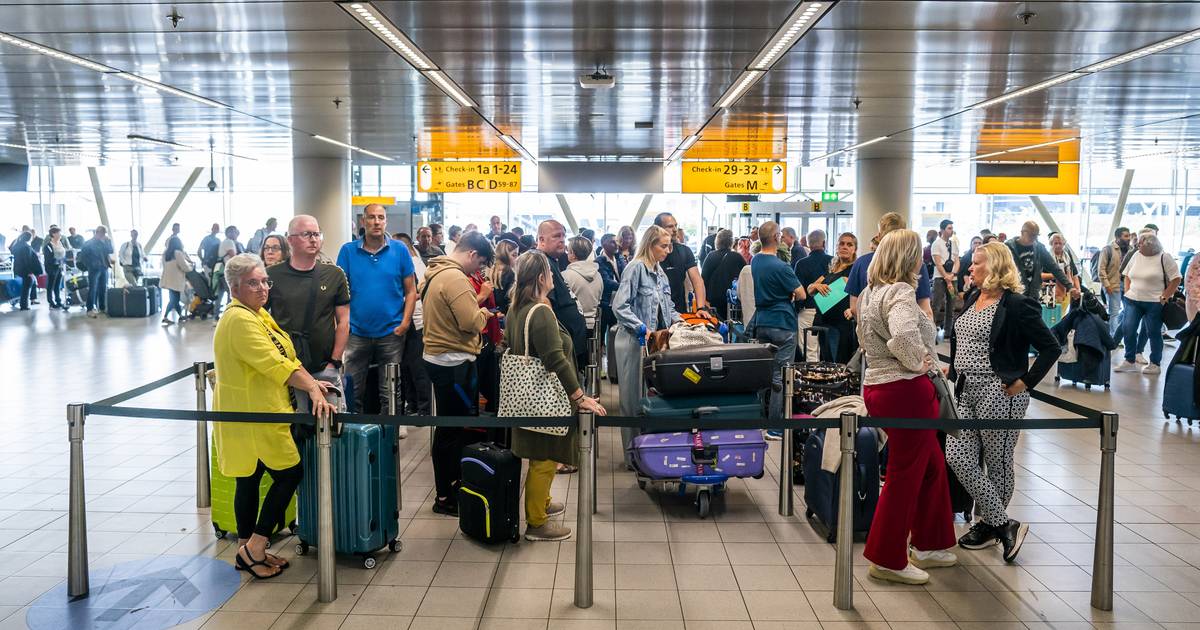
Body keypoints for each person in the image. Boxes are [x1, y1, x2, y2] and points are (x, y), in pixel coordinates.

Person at [212, 253, 335, 580]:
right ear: (235, 287)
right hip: (255, 415)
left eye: (265, 281)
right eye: (253, 282)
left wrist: (310, 380)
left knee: (249, 479)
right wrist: (311, 388)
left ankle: (248, 551)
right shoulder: (239, 319)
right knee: (289, 473)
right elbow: (272, 363)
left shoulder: (256, 314)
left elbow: (286, 355)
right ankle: (255, 547)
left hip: (257, 411)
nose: (263, 287)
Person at [946, 241, 1059, 563]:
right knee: (958, 456)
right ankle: (1003, 523)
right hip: (964, 389)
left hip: (1000, 392)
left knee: (998, 461)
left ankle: (986, 524)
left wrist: (1024, 382)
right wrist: (952, 369)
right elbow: (963, 343)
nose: (970, 267)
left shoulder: (1018, 304)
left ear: (995, 267)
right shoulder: (972, 297)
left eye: (977, 263)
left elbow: (1051, 347)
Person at [856, 229, 957, 585]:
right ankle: (887, 558)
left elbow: (867, 337)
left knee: (929, 465)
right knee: (904, 474)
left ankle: (931, 543)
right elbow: (903, 336)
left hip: (879, 387)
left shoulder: (871, 291)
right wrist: (922, 362)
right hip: (905, 390)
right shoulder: (900, 291)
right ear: (909, 258)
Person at [505, 251, 607, 541]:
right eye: (551, 273)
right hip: (544, 398)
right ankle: (536, 522)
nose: (555, 278)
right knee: (544, 458)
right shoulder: (540, 312)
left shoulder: (517, 308)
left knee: (542, 454)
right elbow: (556, 360)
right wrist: (579, 397)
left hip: (527, 396)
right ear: (541, 278)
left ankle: (543, 504)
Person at [423, 233, 496, 516]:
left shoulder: (436, 271)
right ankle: (446, 495)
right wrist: (485, 314)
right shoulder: (455, 278)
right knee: (451, 431)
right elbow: (470, 322)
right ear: (472, 254)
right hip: (453, 361)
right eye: (478, 263)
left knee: (448, 429)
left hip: (440, 358)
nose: (476, 271)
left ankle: (449, 488)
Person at [336, 205, 417, 429]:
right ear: (363, 221)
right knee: (352, 388)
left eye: (381, 217)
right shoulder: (348, 251)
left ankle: (390, 430)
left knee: (390, 388)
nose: (376, 222)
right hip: (356, 332)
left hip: (391, 331)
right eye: (371, 217)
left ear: (386, 222)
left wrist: (405, 323)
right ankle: (353, 430)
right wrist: (344, 325)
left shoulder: (399, 250)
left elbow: (411, 291)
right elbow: (339, 293)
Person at [612, 225, 682, 464]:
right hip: (633, 342)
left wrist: (685, 323)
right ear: (650, 244)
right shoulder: (635, 268)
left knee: (652, 398)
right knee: (632, 400)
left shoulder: (660, 273)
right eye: (663, 246)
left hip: (655, 345)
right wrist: (642, 328)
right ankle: (633, 457)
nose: (667, 250)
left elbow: (668, 306)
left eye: (669, 245)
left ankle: (650, 451)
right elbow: (620, 306)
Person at [749, 222, 806, 420]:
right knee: (779, 377)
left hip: (762, 323)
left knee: (763, 374)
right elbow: (801, 294)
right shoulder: (782, 267)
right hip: (783, 323)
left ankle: (759, 417)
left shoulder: (755, 261)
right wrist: (789, 294)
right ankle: (775, 425)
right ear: (776, 238)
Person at [848, 212, 935, 321]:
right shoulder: (916, 264)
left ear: (879, 236)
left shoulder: (861, 263)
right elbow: (925, 310)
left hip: (869, 333)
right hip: (908, 332)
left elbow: (855, 307)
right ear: (904, 234)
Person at [1115, 232, 1181, 374]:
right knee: (1128, 328)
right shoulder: (1136, 255)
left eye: (1140, 244)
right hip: (1132, 300)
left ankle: (1155, 364)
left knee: (1153, 332)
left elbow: (1176, 279)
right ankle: (1129, 360)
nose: (1137, 246)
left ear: (1150, 246)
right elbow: (1127, 275)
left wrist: (1165, 296)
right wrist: (1127, 292)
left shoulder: (1164, 257)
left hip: (1154, 302)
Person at [536, 221, 589, 368]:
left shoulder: (551, 260)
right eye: (556, 236)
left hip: (571, 338)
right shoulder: (541, 261)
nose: (562, 240)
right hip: (561, 343)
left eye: (563, 236)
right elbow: (544, 301)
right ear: (541, 240)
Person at [398, 238, 432, 416]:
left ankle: (423, 409)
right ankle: (413, 405)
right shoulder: (416, 262)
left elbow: (418, 292)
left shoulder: (413, 263)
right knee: (407, 368)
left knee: (417, 369)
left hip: (416, 322)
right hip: (410, 321)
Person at [813, 233, 859, 363]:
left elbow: (862, 292)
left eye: (849, 244)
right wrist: (816, 286)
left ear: (854, 249)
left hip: (842, 326)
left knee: (838, 365)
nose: (844, 247)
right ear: (837, 246)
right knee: (825, 363)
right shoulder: (832, 269)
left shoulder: (855, 269)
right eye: (841, 243)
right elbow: (810, 289)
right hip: (825, 324)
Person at [1005, 221, 1076, 302]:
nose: (1034, 238)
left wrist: (1070, 287)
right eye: (1031, 235)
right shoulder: (1008, 248)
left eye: (1036, 235)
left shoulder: (1039, 248)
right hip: (1013, 294)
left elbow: (1055, 268)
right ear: (1022, 232)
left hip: (1033, 295)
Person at [652, 213, 707, 313]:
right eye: (670, 226)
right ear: (658, 229)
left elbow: (697, 280)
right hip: (654, 312)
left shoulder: (684, 251)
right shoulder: (650, 253)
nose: (675, 230)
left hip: (677, 311)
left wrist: (701, 308)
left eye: (675, 225)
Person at [793, 230, 832, 361]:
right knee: (826, 350)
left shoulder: (801, 264)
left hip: (808, 310)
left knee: (809, 349)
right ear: (824, 243)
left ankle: (812, 378)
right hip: (828, 311)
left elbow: (798, 291)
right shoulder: (832, 262)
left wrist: (797, 309)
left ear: (808, 245)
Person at [700, 229, 747, 321]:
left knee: (716, 323)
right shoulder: (738, 257)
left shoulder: (711, 256)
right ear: (732, 242)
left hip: (713, 299)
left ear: (717, 241)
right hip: (733, 300)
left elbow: (703, 279)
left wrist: (704, 300)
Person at [1097, 227, 1133, 337]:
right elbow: (1101, 269)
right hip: (1113, 285)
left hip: (1127, 285)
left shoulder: (1131, 250)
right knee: (1114, 312)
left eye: (1129, 236)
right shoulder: (1108, 249)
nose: (1128, 238)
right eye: (1125, 236)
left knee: (1129, 311)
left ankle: (1118, 332)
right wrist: (1107, 285)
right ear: (1117, 237)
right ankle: (1113, 337)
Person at [563, 236, 603, 332]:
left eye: (568, 251)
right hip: (593, 324)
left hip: (573, 326)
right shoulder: (597, 275)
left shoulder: (565, 276)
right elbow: (599, 299)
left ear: (573, 254)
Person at [930, 220, 959, 333]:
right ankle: (932, 330)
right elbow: (938, 263)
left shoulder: (954, 244)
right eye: (949, 228)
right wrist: (947, 278)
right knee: (936, 305)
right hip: (940, 279)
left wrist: (952, 275)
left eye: (952, 228)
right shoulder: (936, 244)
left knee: (951, 305)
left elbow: (957, 261)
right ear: (942, 230)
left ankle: (948, 331)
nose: (951, 230)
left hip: (953, 279)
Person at [79, 226, 114, 317]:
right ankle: (89, 309)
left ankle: (102, 307)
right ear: (99, 233)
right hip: (94, 269)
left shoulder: (104, 242)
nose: (104, 236)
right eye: (103, 234)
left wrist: (108, 241)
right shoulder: (89, 243)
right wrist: (91, 265)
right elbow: (83, 257)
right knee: (93, 288)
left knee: (103, 288)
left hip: (104, 267)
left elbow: (110, 250)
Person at [160, 236, 194, 325]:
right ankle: (165, 317)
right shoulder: (178, 253)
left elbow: (164, 266)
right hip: (176, 280)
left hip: (168, 280)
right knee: (174, 300)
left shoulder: (166, 253)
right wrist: (191, 268)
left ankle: (180, 316)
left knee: (175, 299)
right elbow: (184, 266)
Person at [1044, 233, 1080, 317]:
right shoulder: (1046, 257)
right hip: (1050, 292)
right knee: (1051, 317)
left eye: (1060, 243)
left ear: (1064, 244)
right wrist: (1056, 275)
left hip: (1066, 293)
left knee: (1061, 316)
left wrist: (1077, 288)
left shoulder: (1067, 257)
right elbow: (1039, 275)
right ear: (1051, 244)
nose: (1058, 245)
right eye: (1055, 243)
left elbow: (1074, 274)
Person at [595, 233, 624, 336]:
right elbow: (606, 282)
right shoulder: (599, 261)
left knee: (617, 332)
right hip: (606, 302)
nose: (616, 244)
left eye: (616, 241)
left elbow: (625, 275)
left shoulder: (619, 258)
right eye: (612, 242)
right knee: (603, 332)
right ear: (603, 244)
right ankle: (602, 350)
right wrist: (624, 286)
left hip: (620, 300)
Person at [11, 232, 40, 311]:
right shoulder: (25, 247)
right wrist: (29, 272)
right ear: (29, 238)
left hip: (18, 268)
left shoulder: (17, 245)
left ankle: (31, 300)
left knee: (31, 283)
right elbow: (27, 260)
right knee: (27, 287)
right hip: (25, 270)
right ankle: (24, 305)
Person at [490, 238, 518, 315]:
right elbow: (510, 298)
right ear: (504, 255)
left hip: (494, 311)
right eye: (514, 255)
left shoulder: (493, 269)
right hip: (506, 313)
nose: (517, 258)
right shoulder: (509, 272)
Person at [43, 227, 67, 310]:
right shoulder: (48, 246)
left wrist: (63, 261)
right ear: (53, 234)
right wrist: (58, 260)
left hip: (60, 267)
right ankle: (51, 302)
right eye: (58, 233)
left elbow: (64, 255)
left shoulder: (61, 243)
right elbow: (49, 258)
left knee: (57, 285)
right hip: (52, 268)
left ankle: (58, 300)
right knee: (50, 285)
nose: (60, 235)